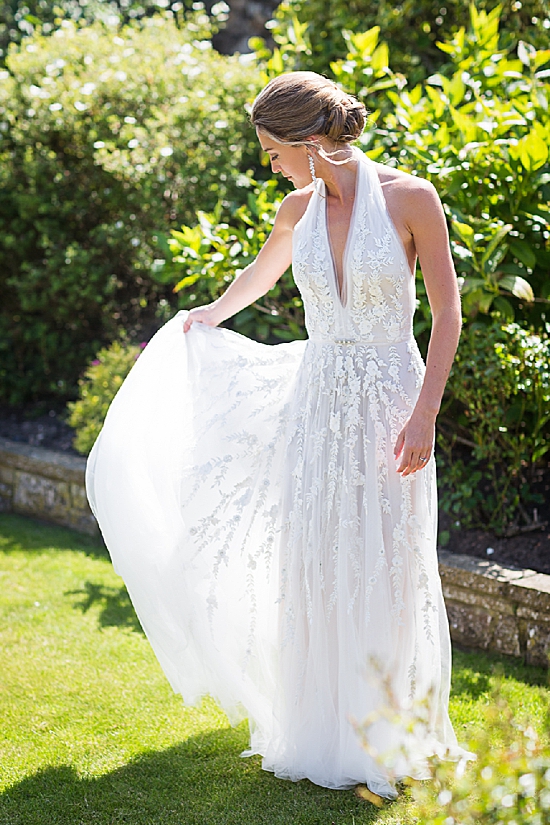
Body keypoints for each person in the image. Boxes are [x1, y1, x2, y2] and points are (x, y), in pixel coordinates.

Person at [86, 71, 466, 798]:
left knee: (387, 563)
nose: (271, 164)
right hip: (317, 401)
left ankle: (392, 728)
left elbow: (447, 314)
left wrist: (426, 411)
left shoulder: (413, 198)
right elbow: (260, 276)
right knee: (320, 560)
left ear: (307, 140)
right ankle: (325, 726)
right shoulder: (298, 207)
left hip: (392, 401)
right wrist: (204, 318)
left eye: (271, 149)